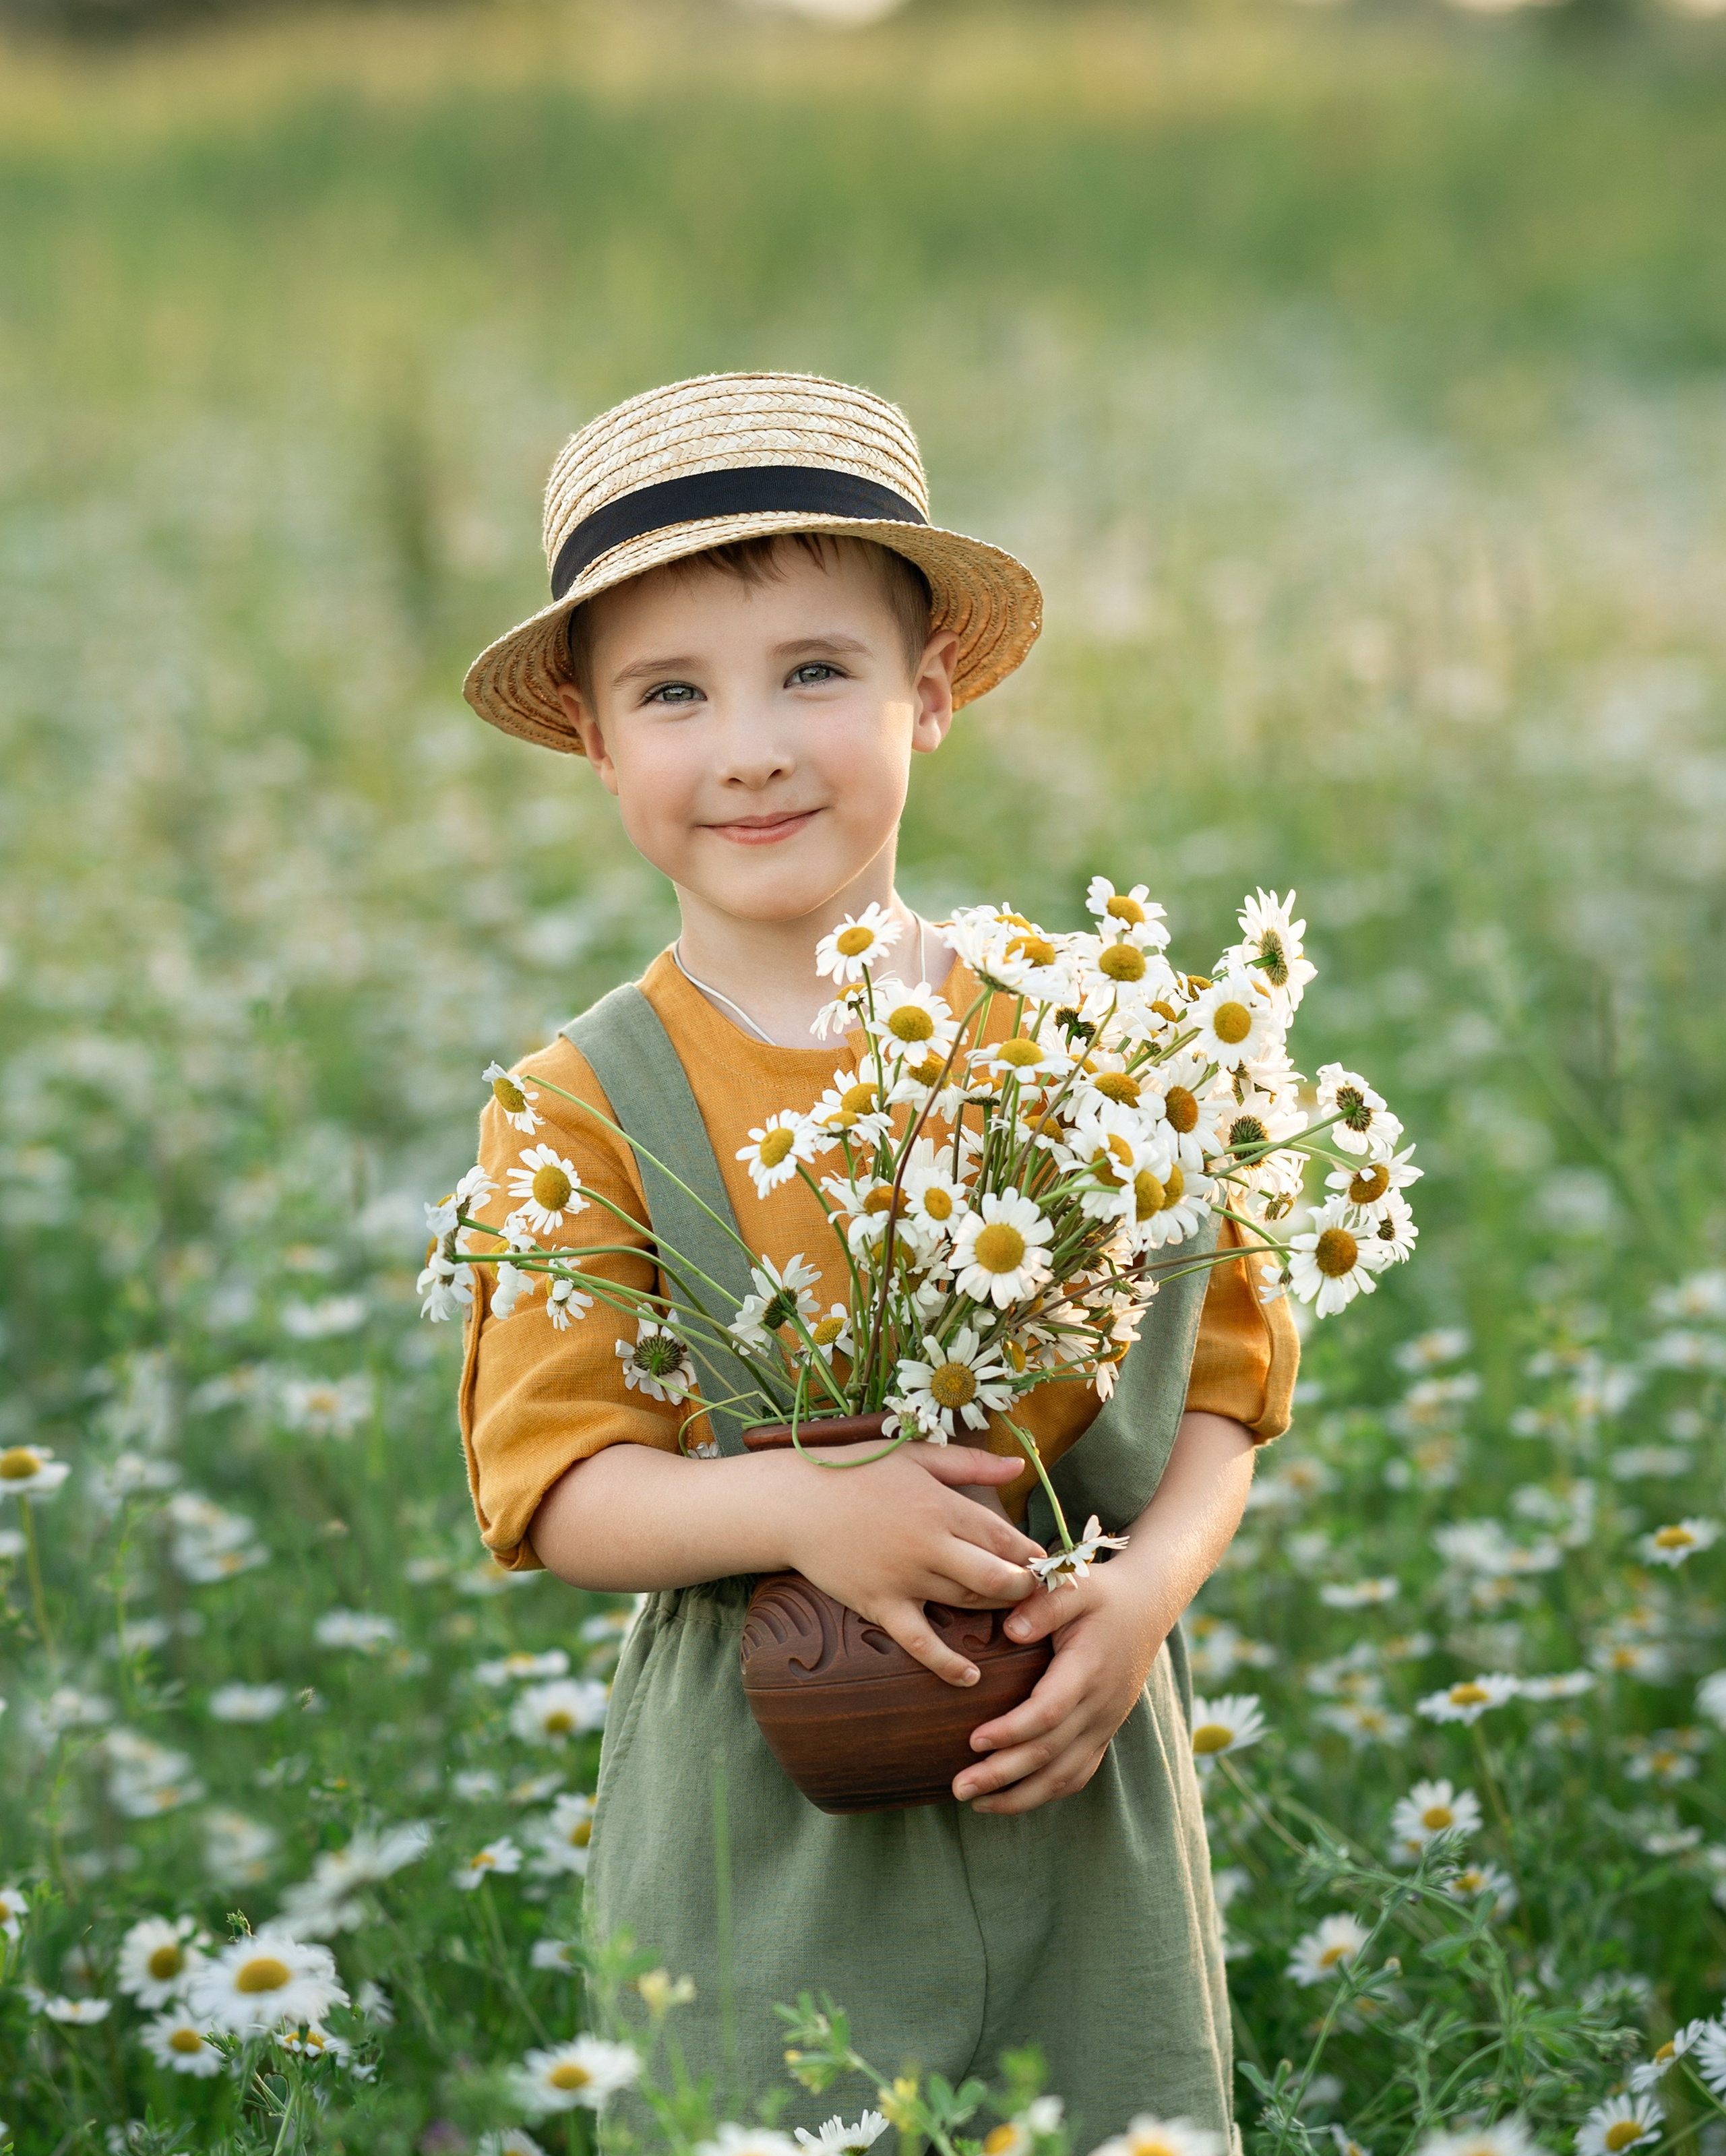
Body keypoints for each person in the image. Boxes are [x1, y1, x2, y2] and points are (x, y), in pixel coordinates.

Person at [456, 371, 1297, 2145]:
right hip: (753, 1790)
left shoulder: (1088, 1043)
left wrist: (1144, 1598)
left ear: (931, 698)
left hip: (1068, 1751)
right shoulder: (578, 1107)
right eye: (672, 694)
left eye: (814, 673)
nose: (747, 746)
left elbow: (1220, 1391)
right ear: (598, 746)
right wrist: (801, 1511)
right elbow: (558, 1491)